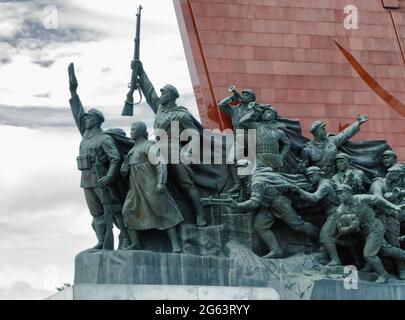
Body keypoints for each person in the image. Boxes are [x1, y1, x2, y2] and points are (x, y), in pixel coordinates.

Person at [134, 60, 208, 227]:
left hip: (174, 149)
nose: (161, 96)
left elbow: (194, 135)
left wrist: (190, 151)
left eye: (165, 93)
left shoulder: (182, 115)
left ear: (172, 96)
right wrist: (140, 72)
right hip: (158, 149)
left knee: (185, 183)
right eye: (162, 93)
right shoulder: (160, 108)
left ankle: (200, 214)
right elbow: (149, 91)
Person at [68, 63, 130, 249]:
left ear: (97, 121)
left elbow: (115, 159)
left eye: (89, 118)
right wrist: (73, 92)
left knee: (115, 209)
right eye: (85, 118)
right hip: (86, 179)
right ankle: (102, 241)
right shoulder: (86, 135)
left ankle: (126, 237)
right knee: (96, 214)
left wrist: (110, 176)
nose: (85, 119)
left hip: (101, 178)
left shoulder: (103, 138)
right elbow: (77, 112)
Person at [231, 161, 319, 259]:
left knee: (299, 226)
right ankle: (276, 250)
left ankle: (321, 239)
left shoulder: (257, 182)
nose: (239, 171)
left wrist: (238, 205)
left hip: (279, 204)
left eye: (242, 169)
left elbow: (254, 203)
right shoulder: (250, 180)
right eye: (238, 169)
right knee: (261, 226)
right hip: (267, 206)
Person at [120, 122, 183, 252]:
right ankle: (136, 243)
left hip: (149, 183)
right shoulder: (132, 150)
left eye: (133, 129)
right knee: (127, 211)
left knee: (162, 210)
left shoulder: (150, 145)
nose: (131, 132)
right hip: (135, 187)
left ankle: (175, 244)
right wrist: (124, 170)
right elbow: (130, 169)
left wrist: (161, 182)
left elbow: (160, 163)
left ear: (141, 132)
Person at [335, 184, 405, 283]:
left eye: (341, 193)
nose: (339, 196)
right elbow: (340, 229)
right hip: (365, 233)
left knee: (369, 255)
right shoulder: (340, 210)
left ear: (349, 193)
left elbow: (378, 200)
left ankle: (384, 276)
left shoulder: (361, 198)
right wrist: (351, 227)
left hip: (376, 227)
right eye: (337, 194)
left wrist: (394, 206)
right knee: (386, 250)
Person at [291, 167, 341, 266]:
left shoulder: (324, 185)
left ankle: (336, 259)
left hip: (335, 213)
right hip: (330, 213)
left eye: (312, 176)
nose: (310, 179)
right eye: (309, 177)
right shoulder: (322, 184)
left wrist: (299, 190)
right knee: (322, 234)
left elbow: (314, 198)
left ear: (319, 174)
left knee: (325, 235)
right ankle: (324, 256)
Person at [299, 115, 369, 178]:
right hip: (321, 179)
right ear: (317, 132)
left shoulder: (332, 140)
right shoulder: (307, 149)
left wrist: (358, 123)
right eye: (323, 129)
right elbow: (302, 168)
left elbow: (345, 134)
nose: (325, 131)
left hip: (337, 176)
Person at [370, 164, 405, 279]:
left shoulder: (396, 185)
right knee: (388, 244)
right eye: (398, 177)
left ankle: (401, 269)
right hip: (379, 217)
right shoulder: (378, 183)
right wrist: (392, 206)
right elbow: (377, 199)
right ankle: (401, 268)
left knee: (393, 242)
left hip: (392, 217)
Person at [239, 107, 291, 171]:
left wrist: (282, 155)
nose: (265, 114)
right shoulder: (256, 126)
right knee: (259, 177)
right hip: (259, 157)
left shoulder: (278, 131)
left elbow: (287, 143)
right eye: (264, 112)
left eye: (268, 112)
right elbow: (242, 122)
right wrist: (252, 114)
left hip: (274, 158)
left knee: (274, 178)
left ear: (274, 116)